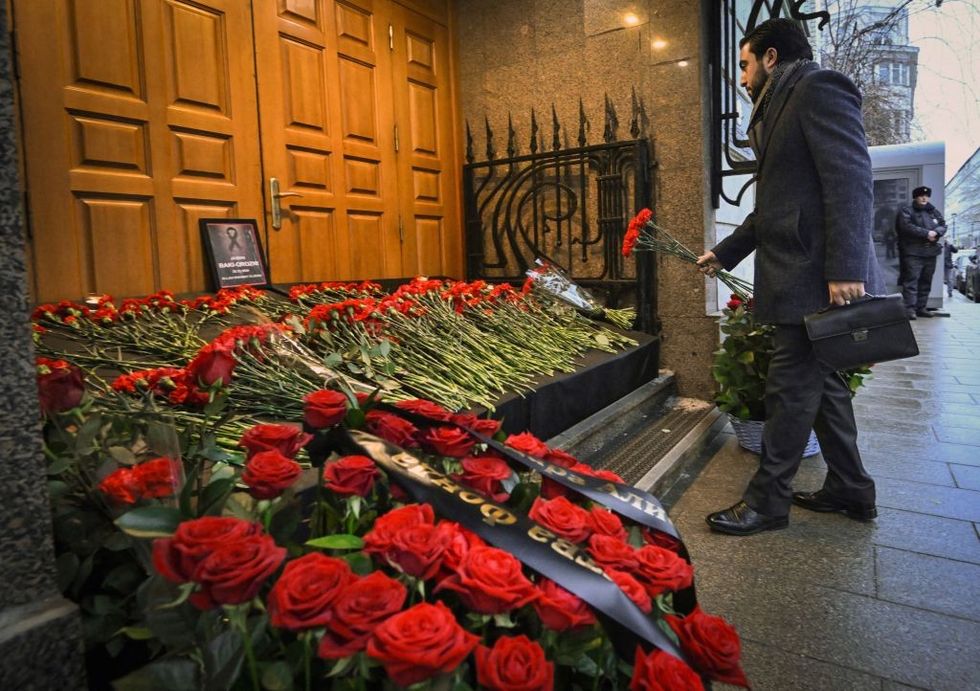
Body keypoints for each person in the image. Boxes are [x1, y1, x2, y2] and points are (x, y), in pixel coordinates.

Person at [696, 18, 882, 536]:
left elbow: (850, 179)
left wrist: (846, 267)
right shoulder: (777, 104)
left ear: (770, 57)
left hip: (815, 275)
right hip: (800, 272)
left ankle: (767, 503)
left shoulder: (818, 87)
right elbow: (776, 203)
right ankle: (851, 488)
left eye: (744, 64)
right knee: (824, 387)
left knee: (789, 390)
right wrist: (725, 252)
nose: (741, 76)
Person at [896, 186, 946, 318]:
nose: (924, 198)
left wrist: (936, 232)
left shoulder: (933, 211)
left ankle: (921, 308)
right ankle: (909, 310)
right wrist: (926, 233)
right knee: (911, 282)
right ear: (915, 197)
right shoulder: (907, 211)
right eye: (921, 196)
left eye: (926, 196)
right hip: (913, 253)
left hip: (930, 252)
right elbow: (906, 227)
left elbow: (943, 224)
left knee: (926, 281)